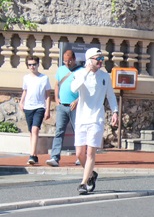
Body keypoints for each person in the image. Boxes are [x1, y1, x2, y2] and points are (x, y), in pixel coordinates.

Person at [70, 48, 118, 195]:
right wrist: (86, 72)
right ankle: (91, 174)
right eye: (98, 59)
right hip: (81, 118)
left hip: (96, 118)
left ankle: (83, 183)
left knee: (90, 152)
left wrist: (115, 111)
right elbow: (73, 88)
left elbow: (110, 95)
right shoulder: (79, 74)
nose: (100, 61)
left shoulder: (105, 76)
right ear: (90, 60)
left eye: (101, 59)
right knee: (79, 153)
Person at [46, 50, 81, 167]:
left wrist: (77, 100)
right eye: (65, 61)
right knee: (59, 131)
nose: (67, 63)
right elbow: (56, 84)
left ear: (74, 59)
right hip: (62, 106)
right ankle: (55, 157)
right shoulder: (61, 70)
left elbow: (84, 90)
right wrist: (56, 98)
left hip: (75, 106)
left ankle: (79, 157)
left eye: (69, 60)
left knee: (78, 132)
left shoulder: (80, 71)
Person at [20, 56, 52, 165]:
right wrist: (21, 101)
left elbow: (48, 95)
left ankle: (32, 155)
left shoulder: (44, 78)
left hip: (39, 107)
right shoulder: (26, 78)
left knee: (35, 130)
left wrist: (47, 110)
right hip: (28, 107)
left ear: (38, 64)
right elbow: (25, 90)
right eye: (30, 65)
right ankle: (34, 155)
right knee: (31, 131)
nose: (32, 66)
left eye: (34, 64)